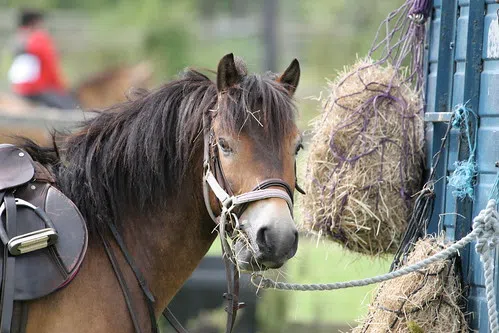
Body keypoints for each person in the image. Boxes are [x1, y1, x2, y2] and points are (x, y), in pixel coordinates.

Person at [7, 9, 78, 109]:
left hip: (18, 89)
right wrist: (62, 87)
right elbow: (50, 66)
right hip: (39, 90)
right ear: (35, 22)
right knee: (72, 109)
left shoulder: (19, 38)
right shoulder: (39, 39)